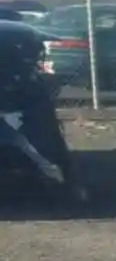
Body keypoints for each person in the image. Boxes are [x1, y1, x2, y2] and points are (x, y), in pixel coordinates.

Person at [0, 26, 83, 200]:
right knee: (35, 144)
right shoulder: (17, 69)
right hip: (16, 117)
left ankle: (63, 181)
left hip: (18, 115)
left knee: (39, 144)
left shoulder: (21, 74)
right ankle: (64, 181)